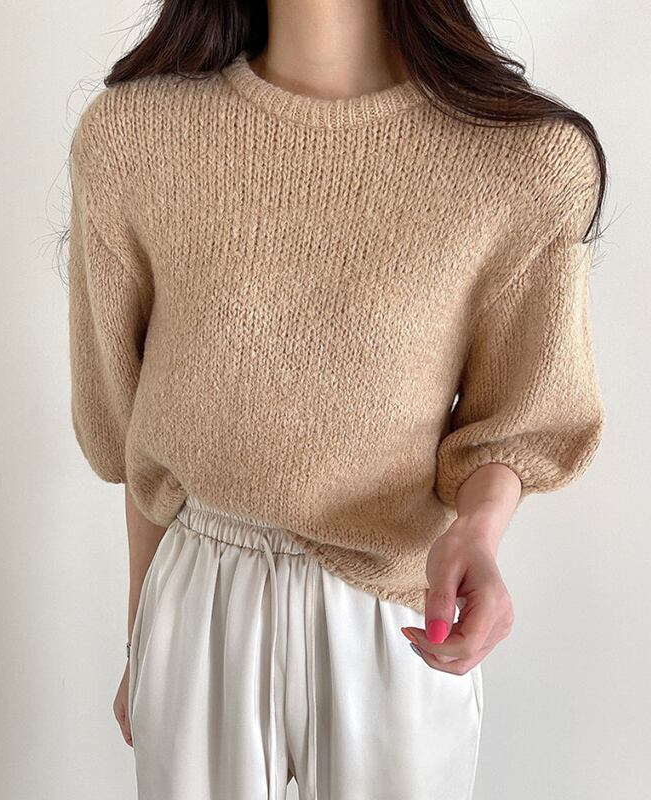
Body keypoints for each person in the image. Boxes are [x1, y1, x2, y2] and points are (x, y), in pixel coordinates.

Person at [65, 1, 608, 797]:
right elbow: (131, 430)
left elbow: (523, 414)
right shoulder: (134, 139)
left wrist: (480, 533)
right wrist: (139, 640)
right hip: (198, 590)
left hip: (398, 606)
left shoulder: (521, 160)